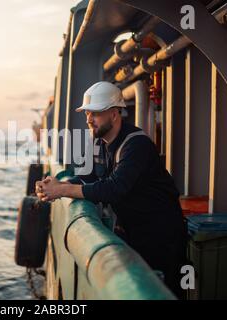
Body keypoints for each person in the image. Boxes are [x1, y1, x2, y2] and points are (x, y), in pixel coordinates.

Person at [35, 81, 187, 299]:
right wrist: (55, 185)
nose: (88, 119)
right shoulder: (100, 141)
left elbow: (114, 189)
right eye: (87, 113)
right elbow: (88, 177)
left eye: (95, 113)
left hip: (162, 237)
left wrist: (63, 190)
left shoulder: (136, 145)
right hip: (134, 233)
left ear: (115, 114)